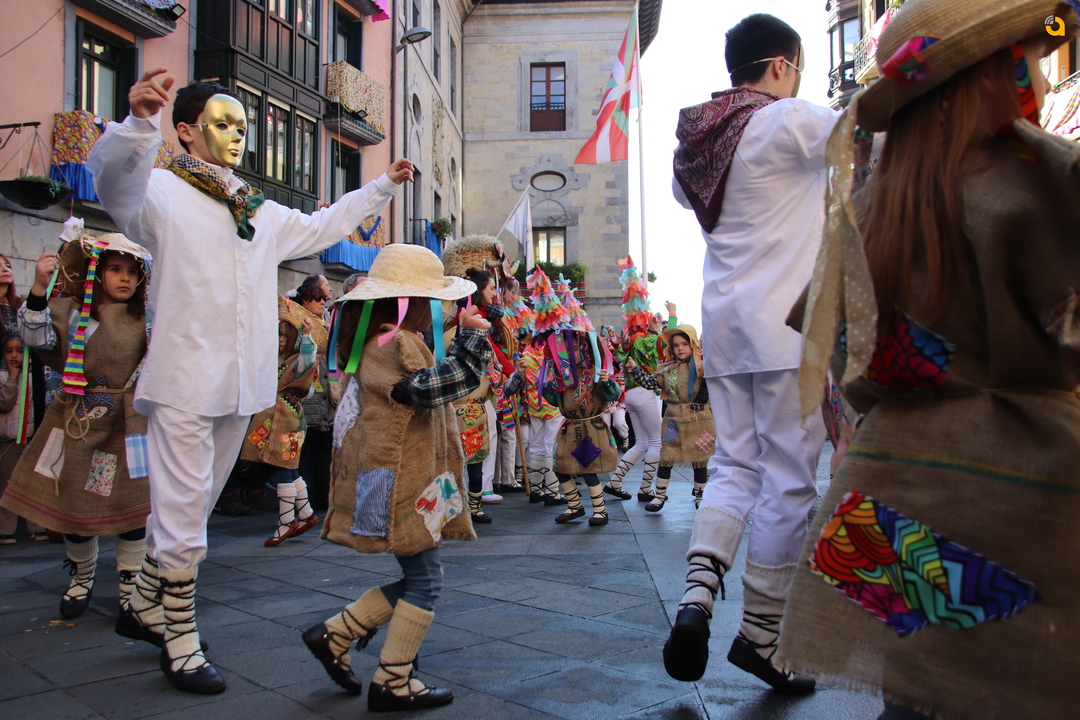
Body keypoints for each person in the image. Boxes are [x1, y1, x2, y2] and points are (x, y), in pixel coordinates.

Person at [779, 2, 1080, 719]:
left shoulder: (865, 215)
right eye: (1028, 60)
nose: (1040, 78)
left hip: (885, 496)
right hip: (1016, 493)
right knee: (1011, 684)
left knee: (915, 690)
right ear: (993, 74)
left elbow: (849, 366)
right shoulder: (1039, 178)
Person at [86, 69, 411, 694]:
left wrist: (382, 186)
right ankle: (179, 638)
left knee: (196, 501)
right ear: (187, 131)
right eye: (223, 123)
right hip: (184, 377)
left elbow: (321, 225)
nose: (238, 135)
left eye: (243, 125)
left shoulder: (255, 210)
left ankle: (144, 604)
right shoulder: (160, 192)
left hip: (241, 381)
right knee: (184, 508)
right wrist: (138, 123)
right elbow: (115, 184)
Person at [662, 13, 838, 692]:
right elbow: (870, 140)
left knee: (735, 464)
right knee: (791, 476)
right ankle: (762, 633)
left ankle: (696, 596)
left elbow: (685, 197)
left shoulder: (701, 140)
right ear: (782, 65)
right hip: (788, 325)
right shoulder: (786, 118)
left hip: (727, 326)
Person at [305, 244, 489, 712]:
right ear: (410, 304)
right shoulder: (395, 343)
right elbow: (429, 389)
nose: (437, 312)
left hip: (405, 476)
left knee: (421, 577)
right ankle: (392, 678)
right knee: (425, 581)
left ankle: (336, 634)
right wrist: (470, 340)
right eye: (433, 302)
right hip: (405, 479)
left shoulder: (381, 340)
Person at [1, 235, 153, 624]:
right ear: (97, 274)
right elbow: (36, 338)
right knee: (76, 504)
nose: (124, 278)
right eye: (115, 269)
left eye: (132, 272)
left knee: (133, 507)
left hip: (130, 424)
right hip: (79, 422)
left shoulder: (148, 318)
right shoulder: (72, 313)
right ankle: (81, 577)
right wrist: (39, 288)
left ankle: (130, 588)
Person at [240, 301, 320, 546]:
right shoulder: (280, 359)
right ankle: (305, 513)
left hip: (287, 421)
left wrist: (306, 335)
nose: (281, 339)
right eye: (279, 335)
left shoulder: (300, 360)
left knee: (283, 468)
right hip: (286, 419)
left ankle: (286, 521)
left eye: (285, 335)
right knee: (290, 468)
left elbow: (308, 355)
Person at [626, 325, 714, 511]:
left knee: (700, 458)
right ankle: (659, 496)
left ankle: (701, 497)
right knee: (667, 455)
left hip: (700, 421)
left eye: (684, 344)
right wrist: (635, 370)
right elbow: (650, 383)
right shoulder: (668, 370)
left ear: (692, 345)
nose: (680, 348)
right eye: (676, 345)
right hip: (673, 419)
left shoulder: (703, 367)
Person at [603, 261, 668, 502]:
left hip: (630, 394)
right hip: (646, 392)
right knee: (656, 442)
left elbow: (619, 354)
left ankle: (615, 482)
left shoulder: (628, 341)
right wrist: (671, 317)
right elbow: (667, 343)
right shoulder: (647, 340)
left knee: (640, 442)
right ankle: (645, 489)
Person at [538, 330, 620, 526]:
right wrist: (544, 387)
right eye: (565, 350)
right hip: (568, 428)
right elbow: (555, 401)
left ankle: (600, 510)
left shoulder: (595, 371)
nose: (569, 353)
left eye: (574, 348)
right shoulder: (561, 375)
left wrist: (607, 382)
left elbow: (612, 394)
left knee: (588, 468)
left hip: (590, 428)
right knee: (559, 466)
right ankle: (575, 505)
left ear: (584, 349)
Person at [445, 267, 506, 524]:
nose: (495, 293)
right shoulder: (461, 328)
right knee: (459, 458)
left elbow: (493, 362)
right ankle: (458, 505)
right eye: (491, 288)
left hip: (477, 405)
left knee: (477, 456)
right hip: (460, 404)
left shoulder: (480, 324)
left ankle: (476, 504)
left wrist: (506, 376)